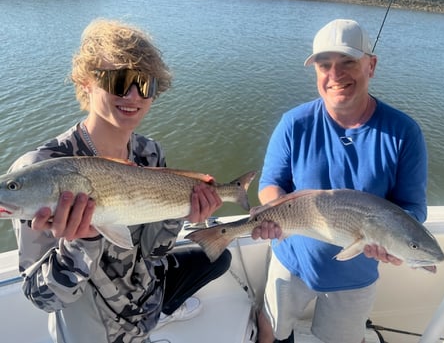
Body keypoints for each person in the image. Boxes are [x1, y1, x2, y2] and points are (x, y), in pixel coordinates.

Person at [10, 19, 278, 343]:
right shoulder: (39, 169)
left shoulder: (149, 152)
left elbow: (153, 253)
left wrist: (182, 215)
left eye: (145, 84)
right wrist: (83, 243)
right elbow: (43, 298)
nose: (134, 95)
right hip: (94, 333)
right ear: (85, 82)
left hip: (145, 317)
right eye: (120, 80)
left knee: (219, 257)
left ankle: (166, 311)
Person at [256, 19, 427, 343]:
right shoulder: (294, 123)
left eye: (347, 62)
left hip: (357, 276)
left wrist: (394, 240)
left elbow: (413, 208)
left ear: (371, 65)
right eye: (324, 65)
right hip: (292, 260)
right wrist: (275, 213)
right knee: (270, 329)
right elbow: (270, 183)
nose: (335, 75)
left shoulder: (404, 133)